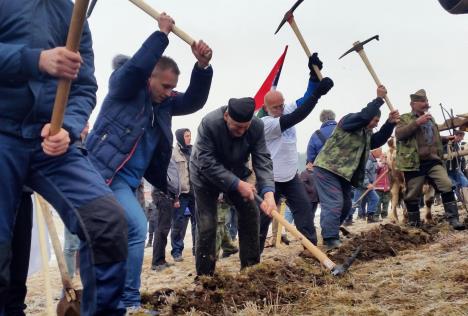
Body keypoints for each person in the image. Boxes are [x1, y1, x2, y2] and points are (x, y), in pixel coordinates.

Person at [0, 1, 129, 314]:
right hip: (3, 133)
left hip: (51, 141)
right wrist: (36, 60)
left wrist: (68, 128)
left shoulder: (74, 15)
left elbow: (84, 87)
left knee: (107, 223)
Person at [86, 12, 212, 309]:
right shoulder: (125, 89)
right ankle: (128, 301)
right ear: (149, 77)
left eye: (172, 88)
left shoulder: (165, 103)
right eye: (165, 86)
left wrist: (203, 66)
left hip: (131, 183)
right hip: (105, 174)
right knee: (136, 228)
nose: (169, 93)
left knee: (114, 236)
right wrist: (161, 36)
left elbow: (193, 100)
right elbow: (133, 72)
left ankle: (113, 298)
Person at [190, 97, 277, 276]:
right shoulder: (209, 123)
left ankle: (250, 269)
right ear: (226, 115)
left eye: (246, 127)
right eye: (237, 126)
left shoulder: (257, 126)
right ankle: (205, 276)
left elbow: (262, 159)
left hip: (236, 172)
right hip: (204, 175)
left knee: (251, 212)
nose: (242, 131)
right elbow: (205, 161)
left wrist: (268, 192)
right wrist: (237, 183)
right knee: (207, 224)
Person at [259, 54, 334, 251]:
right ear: (267, 108)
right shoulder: (266, 123)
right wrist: (317, 95)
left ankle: (311, 250)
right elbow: (298, 116)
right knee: (262, 220)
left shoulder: (287, 109)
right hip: (271, 180)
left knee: (304, 213)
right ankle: (252, 259)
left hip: (291, 177)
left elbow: (305, 100)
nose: (280, 110)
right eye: (275, 108)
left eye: (281, 105)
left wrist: (313, 76)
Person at [313, 86, 399, 249]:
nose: (374, 125)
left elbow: (377, 140)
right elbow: (364, 115)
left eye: (377, 123)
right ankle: (330, 239)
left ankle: (331, 231)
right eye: (374, 121)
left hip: (344, 174)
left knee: (346, 204)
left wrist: (389, 124)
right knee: (334, 202)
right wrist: (379, 100)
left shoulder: (365, 135)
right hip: (327, 169)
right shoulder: (348, 121)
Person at [395, 89, 465, 230]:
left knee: (446, 184)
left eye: (426, 101)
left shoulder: (430, 119)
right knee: (412, 195)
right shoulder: (405, 118)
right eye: (422, 101)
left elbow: (432, 138)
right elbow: (399, 135)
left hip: (433, 161)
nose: (426, 103)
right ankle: (414, 225)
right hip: (414, 163)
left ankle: (453, 220)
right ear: (412, 104)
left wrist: (445, 139)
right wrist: (417, 123)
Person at [171, 128, 196, 261]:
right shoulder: (174, 154)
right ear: (180, 137)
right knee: (178, 223)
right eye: (186, 136)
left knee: (197, 222)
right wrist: (174, 195)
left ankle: (197, 249)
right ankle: (176, 251)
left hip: (195, 192)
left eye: (190, 136)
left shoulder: (194, 151)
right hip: (181, 194)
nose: (189, 138)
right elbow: (171, 175)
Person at [445, 130, 468, 202]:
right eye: (461, 137)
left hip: (456, 169)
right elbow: (446, 157)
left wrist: (462, 167)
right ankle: (462, 201)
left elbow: (460, 158)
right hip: (448, 170)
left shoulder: (457, 145)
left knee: (465, 183)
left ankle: (466, 201)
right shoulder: (447, 143)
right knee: (454, 186)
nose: (462, 139)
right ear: (457, 136)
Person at [374, 152, 391, 220]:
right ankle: (376, 216)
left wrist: (388, 163)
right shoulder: (377, 163)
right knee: (378, 203)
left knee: (386, 203)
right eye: (383, 156)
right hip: (378, 187)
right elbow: (376, 170)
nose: (384, 158)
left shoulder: (388, 165)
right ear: (380, 157)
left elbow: (392, 170)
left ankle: (384, 216)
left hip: (387, 187)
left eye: (385, 156)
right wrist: (382, 164)